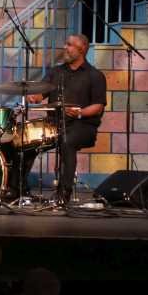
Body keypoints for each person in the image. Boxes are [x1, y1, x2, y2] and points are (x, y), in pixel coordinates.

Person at [27, 33, 107, 205]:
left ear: (82, 48)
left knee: (67, 141)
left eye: (69, 45)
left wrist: (80, 112)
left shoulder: (95, 75)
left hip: (82, 126)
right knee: (26, 140)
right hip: (54, 125)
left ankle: (63, 194)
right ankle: (16, 188)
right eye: (66, 44)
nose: (65, 47)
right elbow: (41, 93)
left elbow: (98, 106)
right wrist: (35, 97)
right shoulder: (56, 72)